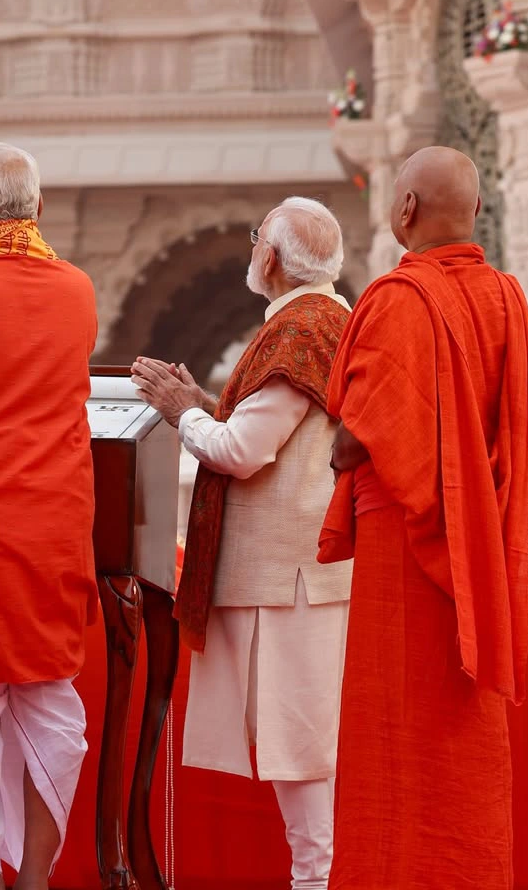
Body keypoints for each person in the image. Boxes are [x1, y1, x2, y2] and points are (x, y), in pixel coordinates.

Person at [321, 147, 528, 890]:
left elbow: (360, 435)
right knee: (464, 722)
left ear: (406, 211)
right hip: (480, 546)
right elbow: (525, 424)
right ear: (477, 212)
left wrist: (338, 448)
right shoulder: (509, 299)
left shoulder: (399, 298)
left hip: (404, 547)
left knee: (394, 729)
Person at [132, 198, 352, 890]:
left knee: (301, 748)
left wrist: (184, 414)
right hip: (300, 575)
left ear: (273, 258)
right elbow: (265, 428)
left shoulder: (300, 330)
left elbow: (242, 451)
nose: (254, 248)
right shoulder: (326, 318)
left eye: (259, 238)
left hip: (289, 582)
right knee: (302, 745)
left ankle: (316, 882)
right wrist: (207, 405)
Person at [0, 143, 98, 890]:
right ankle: (35, 877)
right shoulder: (78, 289)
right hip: (55, 526)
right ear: (37, 208)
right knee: (51, 705)